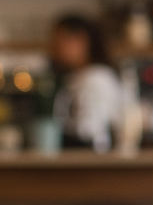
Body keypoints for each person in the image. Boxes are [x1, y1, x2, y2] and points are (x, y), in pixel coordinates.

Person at [50, 14, 123, 151]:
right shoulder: (77, 77)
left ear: (81, 39)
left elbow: (88, 132)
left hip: (93, 162)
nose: (55, 48)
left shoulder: (96, 78)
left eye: (59, 40)